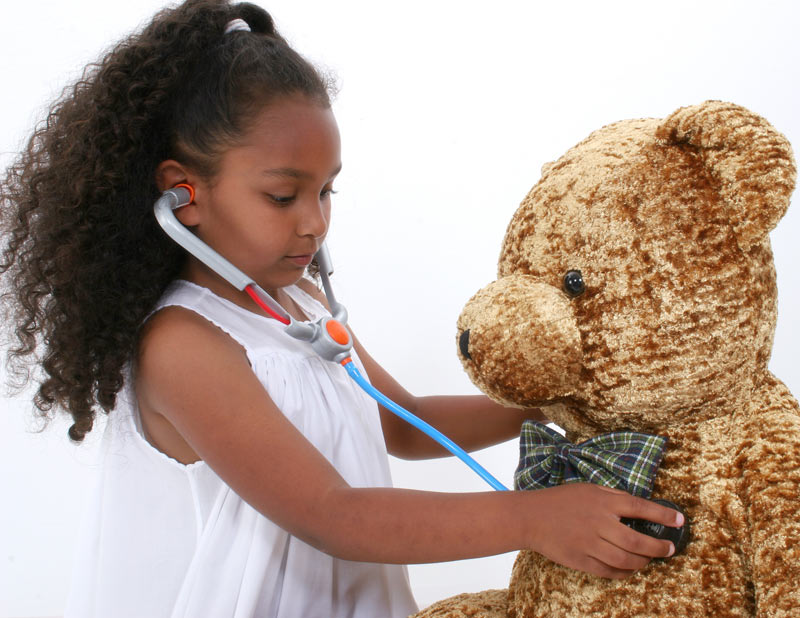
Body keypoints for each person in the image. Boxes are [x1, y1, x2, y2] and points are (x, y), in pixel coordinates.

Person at [0, 1, 684, 616]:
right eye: (282, 196)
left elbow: (406, 425)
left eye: (327, 191)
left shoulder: (298, 302)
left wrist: (548, 404)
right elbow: (334, 515)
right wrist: (536, 519)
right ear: (185, 194)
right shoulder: (184, 346)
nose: (313, 223)